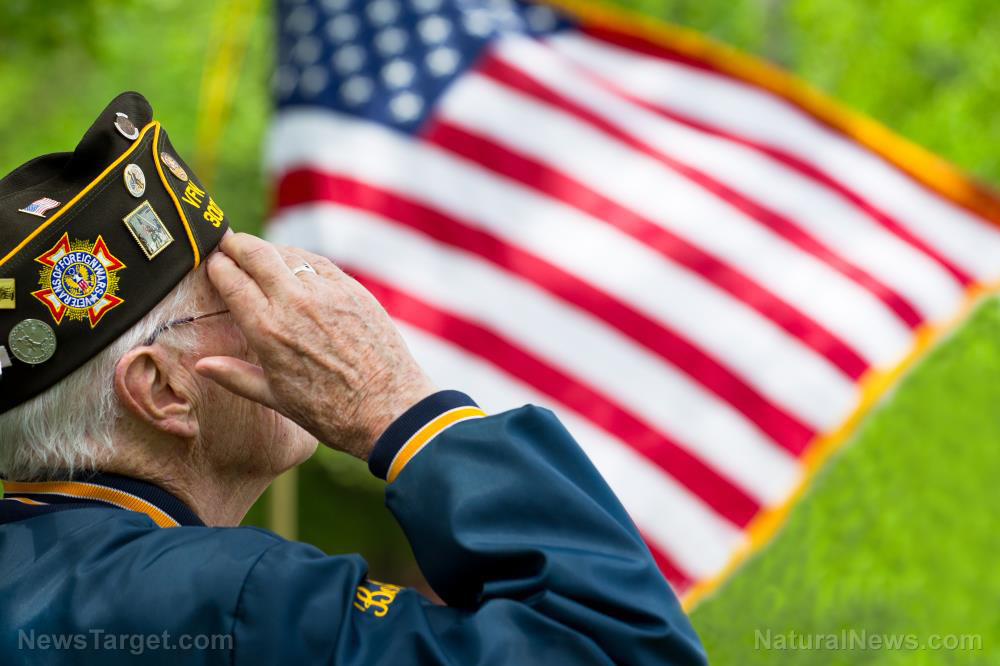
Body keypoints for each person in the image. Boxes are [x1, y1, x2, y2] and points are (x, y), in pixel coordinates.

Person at [0, 93, 706, 664]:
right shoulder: (234, 602)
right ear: (163, 390)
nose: (296, 313)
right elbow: (618, 649)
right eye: (238, 293)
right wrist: (397, 406)